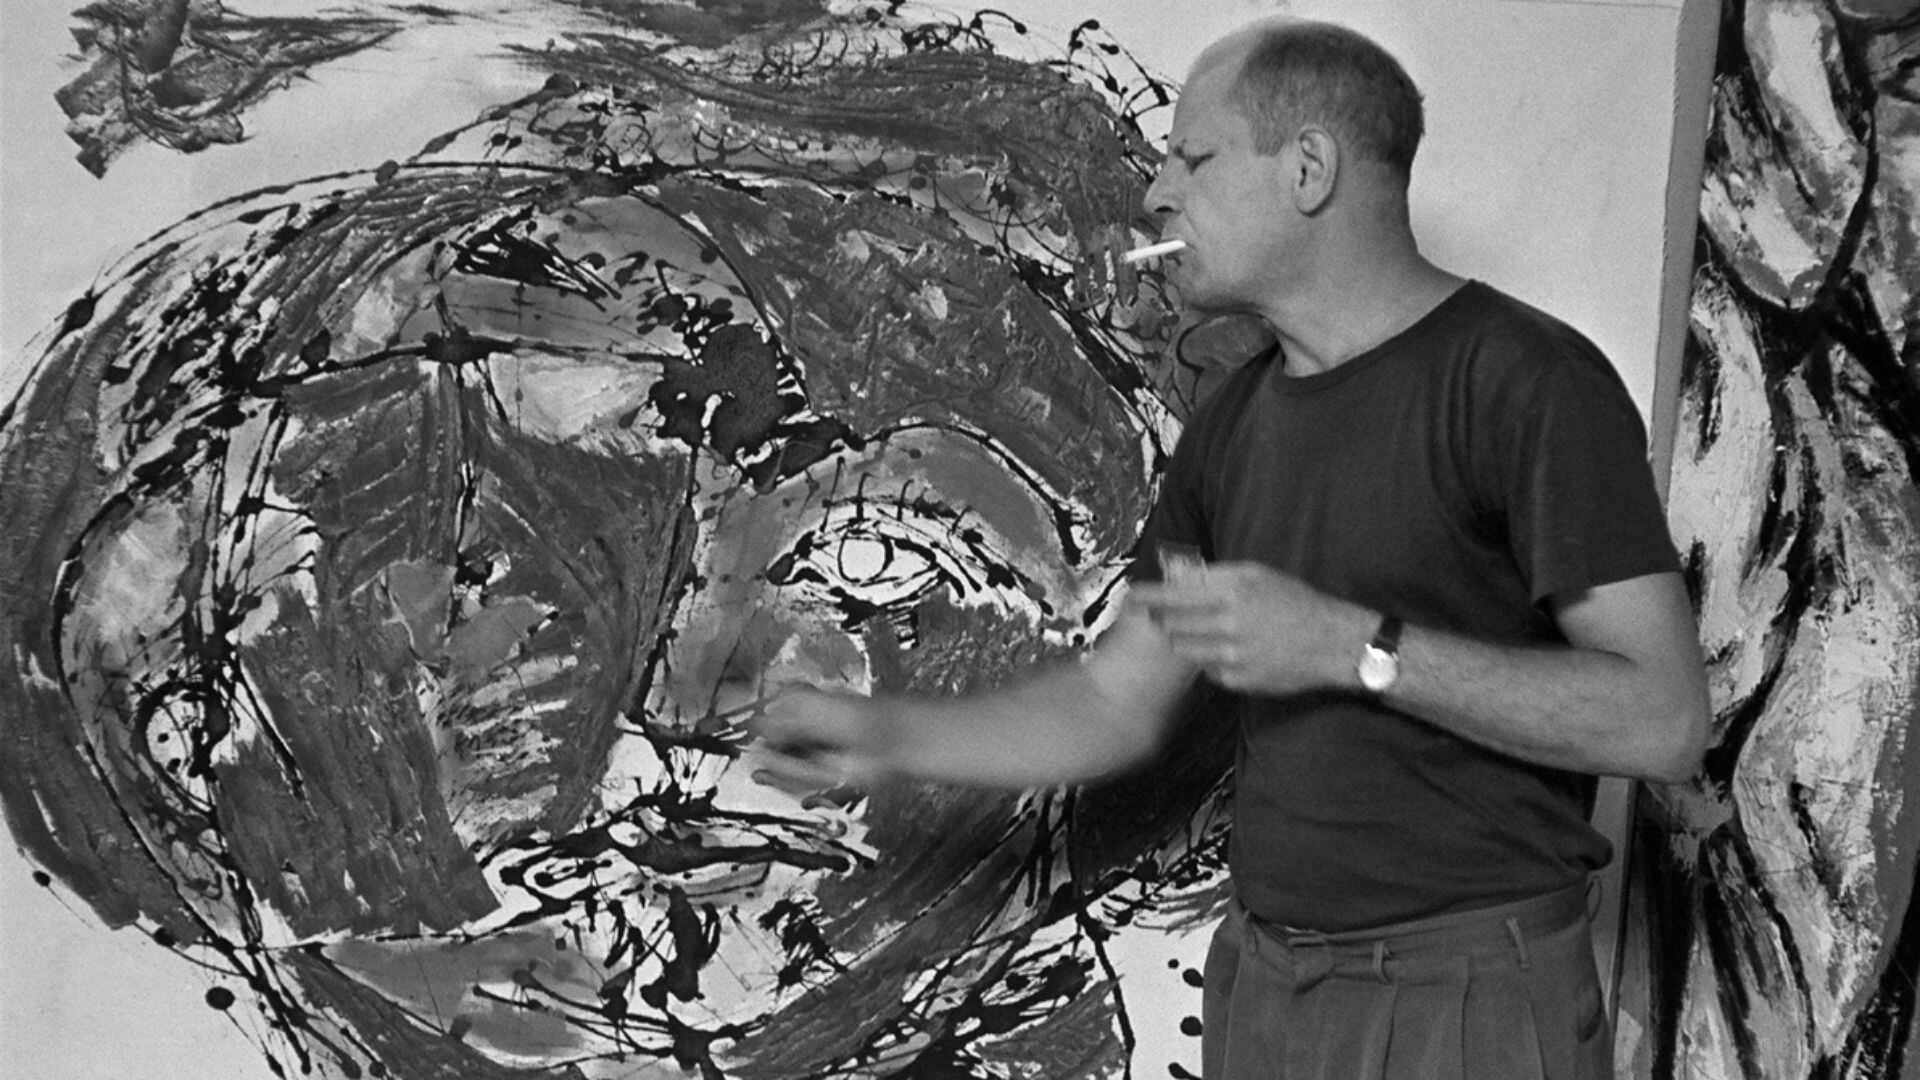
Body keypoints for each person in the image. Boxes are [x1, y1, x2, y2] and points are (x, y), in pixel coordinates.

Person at [753, 15, 1711, 1080]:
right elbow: (1114, 704)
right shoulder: (1232, 426)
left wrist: (1353, 647)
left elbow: (1664, 720)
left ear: (1308, 170)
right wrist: (882, 732)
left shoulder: (1526, 384)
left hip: (1465, 997)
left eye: (1193, 158)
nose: (1156, 196)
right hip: (1264, 984)